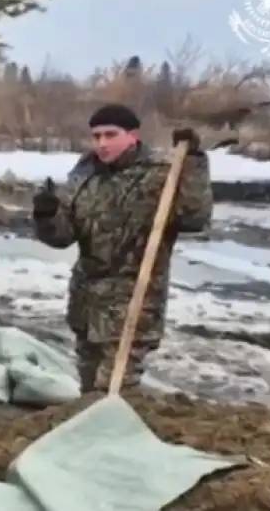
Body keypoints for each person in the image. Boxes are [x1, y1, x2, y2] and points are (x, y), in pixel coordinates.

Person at [33, 104, 212, 392]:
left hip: (132, 301)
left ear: (132, 135)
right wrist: (47, 214)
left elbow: (194, 218)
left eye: (110, 135)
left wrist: (194, 161)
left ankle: (116, 433)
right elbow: (62, 237)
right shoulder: (85, 174)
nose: (102, 143)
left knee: (114, 391)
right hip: (87, 302)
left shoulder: (159, 172)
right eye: (96, 136)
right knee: (90, 387)